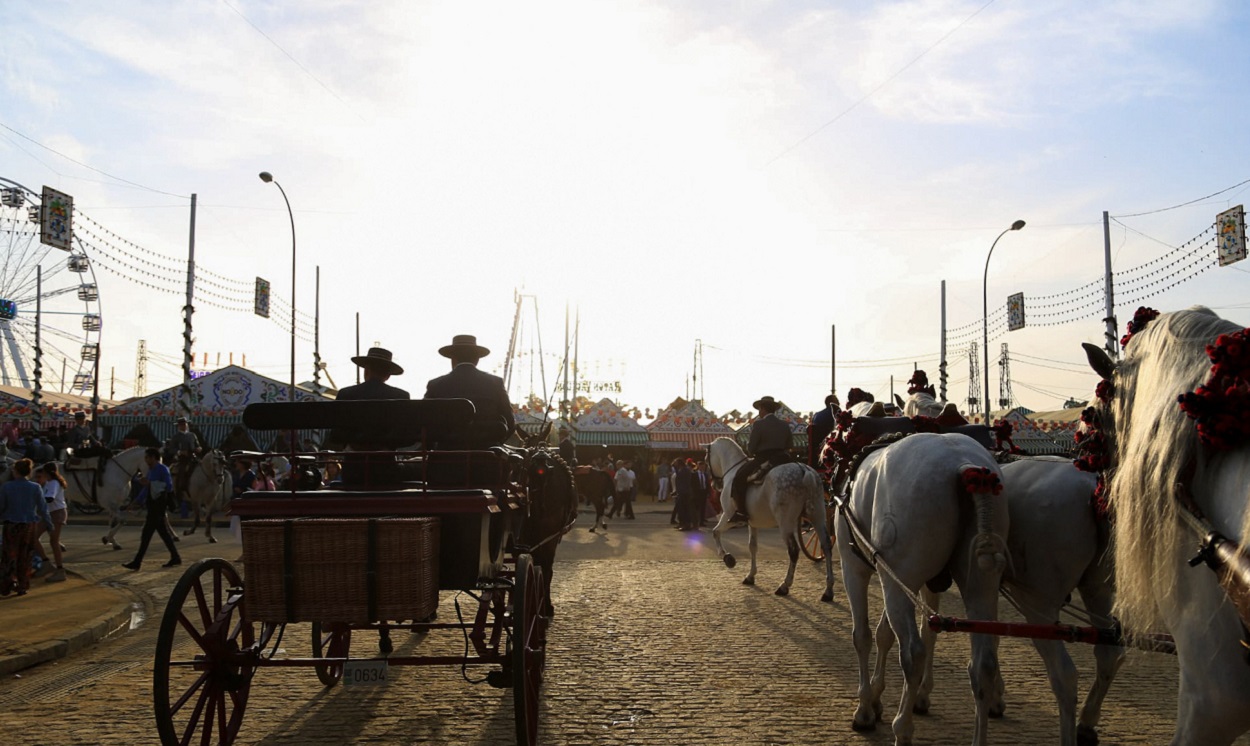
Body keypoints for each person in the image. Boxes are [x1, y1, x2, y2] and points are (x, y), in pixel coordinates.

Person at [331, 347, 410, 484]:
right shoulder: (401, 396)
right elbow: (407, 438)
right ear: (388, 375)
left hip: (353, 469)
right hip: (386, 468)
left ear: (366, 370)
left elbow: (336, 435)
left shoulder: (346, 394)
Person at [423, 335, 516, 447]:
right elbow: (510, 423)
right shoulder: (495, 383)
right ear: (477, 359)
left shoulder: (436, 385)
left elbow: (424, 423)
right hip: (487, 456)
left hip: (446, 455)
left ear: (453, 359)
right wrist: (495, 444)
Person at [727, 396, 793, 522]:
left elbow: (752, 447)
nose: (759, 411)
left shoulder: (759, 424)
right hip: (783, 458)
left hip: (764, 458)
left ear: (763, 409)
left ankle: (741, 512)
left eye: (759, 409)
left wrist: (751, 450)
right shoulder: (784, 424)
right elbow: (790, 445)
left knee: (739, 477)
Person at [122, 449, 182, 571]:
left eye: (148, 458)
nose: (146, 460)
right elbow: (146, 489)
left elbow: (168, 486)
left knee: (146, 534)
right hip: (152, 504)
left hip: (159, 505)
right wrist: (137, 501)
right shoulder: (151, 471)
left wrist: (151, 483)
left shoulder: (163, 469)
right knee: (163, 533)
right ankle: (175, 557)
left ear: (154, 458)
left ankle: (137, 561)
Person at [0, 459, 53, 595]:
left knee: (9, 555)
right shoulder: (35, 487)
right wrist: (49, 524)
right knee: (25, 556)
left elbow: (1, 507)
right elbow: (42, 508)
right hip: (28, 526)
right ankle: (22, 585)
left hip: (11, 524)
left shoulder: (7, 487)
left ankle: (7, 584)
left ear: (16, 471)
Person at [32, 463, 69, 583]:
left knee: (54, 541)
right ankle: (46, 563)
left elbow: (50, 498)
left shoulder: (53, 483)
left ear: (46, 473)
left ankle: (60, 570)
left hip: (56, 513)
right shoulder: (50, 483)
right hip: (50, 513)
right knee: (34, 536)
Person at [165, 417, 201, 519]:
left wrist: (199, 448)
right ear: (178, 426)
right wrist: (180, 452)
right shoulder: (176, 437)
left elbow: (198, 445)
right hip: (182, 459)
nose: (183, 426)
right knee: (181, 474)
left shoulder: (192, 435)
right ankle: (180, 493)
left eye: (184, 424)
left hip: (193, 457)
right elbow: (172, 449)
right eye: (181, 424)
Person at [808, 394, 840, 468]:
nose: (839, 403)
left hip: (816, 450)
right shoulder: (836, 414)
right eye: (837, 401)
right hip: (831, 449)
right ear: (832, 403)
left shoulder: (816, 415)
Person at [671, 458, 696, 530]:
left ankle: (686, 524)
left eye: (676, 462)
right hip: (681, 492)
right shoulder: (682, 470)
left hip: (685, 492)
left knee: (685, 509)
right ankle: (681, 523)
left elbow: (680, 477)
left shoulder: (685, 470)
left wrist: (675, 467)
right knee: (680, 509)